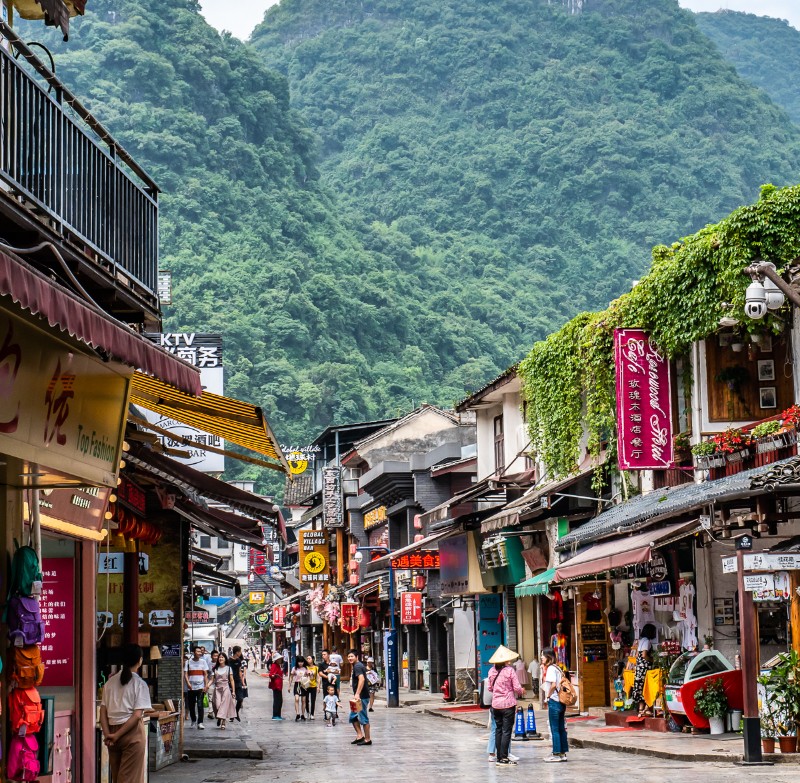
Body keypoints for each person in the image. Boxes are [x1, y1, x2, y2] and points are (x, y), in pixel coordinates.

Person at [101, 644, 152, 782]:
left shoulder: (109, 683)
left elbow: (103, 711)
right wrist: (115, 735)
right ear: (140, 660)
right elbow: (136, 715)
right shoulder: (140, 684)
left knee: (118, 777)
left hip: (112, 733)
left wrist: (108, 735)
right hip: (132, 733)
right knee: (130, 779)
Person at [487, 645, 524, 766]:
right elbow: (517, 688)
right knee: (506, 731)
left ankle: (498, 757)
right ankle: (504, 757)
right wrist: (521, 691)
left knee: (498, 730)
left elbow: (490, 688)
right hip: (508, 705)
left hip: (496, 705)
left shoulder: (491, 671)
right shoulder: (509, 671)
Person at [542, 647, 568, 762]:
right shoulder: (558, 668)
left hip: (554, 701)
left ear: (548, 657)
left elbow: (553, 685)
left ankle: (556, 753)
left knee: (555, 729)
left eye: (543, 655)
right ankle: (562, 752)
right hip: (561, 702)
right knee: (561, 728)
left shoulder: (551, 669)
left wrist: (548, 696)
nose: (541, 658)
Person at [632, 623, 657, 718]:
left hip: (639, 668)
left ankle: (641, 709)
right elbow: (644, 655)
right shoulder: (647, 642)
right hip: (645, 668)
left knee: (640, 688)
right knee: (646, 687)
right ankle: (646, 709)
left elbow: (637, 655)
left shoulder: (641, 641)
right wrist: (652, 660)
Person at [347, 648, 371, 746]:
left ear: (357, 657)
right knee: (353, 717)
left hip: (362, 696)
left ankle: (367, 739)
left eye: (352, 656)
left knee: (363, 717)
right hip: (359, 696)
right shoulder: (358, 665)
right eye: (348, 656)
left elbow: (361, 679)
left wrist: (357, 694)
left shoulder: (357, 666)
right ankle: (360, 736)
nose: (350, 658)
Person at [184, 645, 210, 729]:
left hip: (200, 687)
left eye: (200, 652)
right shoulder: (188, 662)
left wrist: (206, 685)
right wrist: (188, 683)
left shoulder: (203, 662)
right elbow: (185, 674)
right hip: (191, 687)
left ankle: (200, 722)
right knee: (191, 705)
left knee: (199, 705)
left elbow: (205, 674)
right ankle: (193, 720)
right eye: (198, 651)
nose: (200, 653)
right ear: (193, 652)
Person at [212, 652, 237, 729]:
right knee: (217, 705)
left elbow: (232, 680)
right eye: (220, 657)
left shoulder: (228, 668)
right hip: (217, 689)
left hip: (226, 688)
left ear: (225, 659)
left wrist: (233, 691)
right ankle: (219, 717)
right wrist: (207, 685)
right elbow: (212, 680)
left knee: (223, 705)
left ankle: (223, 722)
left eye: (222, 657)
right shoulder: (215, 668)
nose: (221, 658)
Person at [229, 646, 247, 723]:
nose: (240, 653)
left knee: (240, 699)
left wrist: (242, 682)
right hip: (230, 681)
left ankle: (236, 712)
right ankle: (231, 715)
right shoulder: (229, 660)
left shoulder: (239, 660)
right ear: (237, 652)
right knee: (231, 700)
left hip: (238, 681)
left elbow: (240, 671)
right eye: (240, 651)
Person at [290, 656, 310, 721]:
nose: (300, 663)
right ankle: (297, 713)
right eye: (299, 662)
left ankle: (303, 714)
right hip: (297, 684)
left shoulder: (305, 668)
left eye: (301, 662)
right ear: (297, 662)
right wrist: (289, 686)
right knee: (296, 698)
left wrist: (308, 678)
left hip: (303, 685)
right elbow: (291, 677)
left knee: (304, 700)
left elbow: (309, 676)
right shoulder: (294, 668)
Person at [268, 651, 285, 720]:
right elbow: (271, 674)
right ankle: (275, 715)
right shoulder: (274, 665)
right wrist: (274, 675)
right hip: (276, 685)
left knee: (280, 700)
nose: (280, 660)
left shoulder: (278, 666)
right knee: (277, 700)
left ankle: (278, 715)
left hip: (279, 685)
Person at [305, 654, 319, 719]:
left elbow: (318, 677)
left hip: (314, 685)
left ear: (313, 659)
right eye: (307, 658)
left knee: (313, 700)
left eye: (309, 658)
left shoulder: (316, 668)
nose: (308, 660)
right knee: (306, 700)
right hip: (306, 685)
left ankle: (312, 714)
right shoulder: (305, 667)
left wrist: (318, 686)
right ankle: (307, 712)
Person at [207, 650, 220, 719]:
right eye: (214, 656)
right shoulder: (208, 664)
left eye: (217, 656)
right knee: (210, 698)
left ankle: (217, 712)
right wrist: (206, 684)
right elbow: (206, 674)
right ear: (211, 656)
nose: (216, 657)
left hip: (219, 684)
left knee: (218, 699)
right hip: (211, 683)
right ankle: (210, 712)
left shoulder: (220, 663)